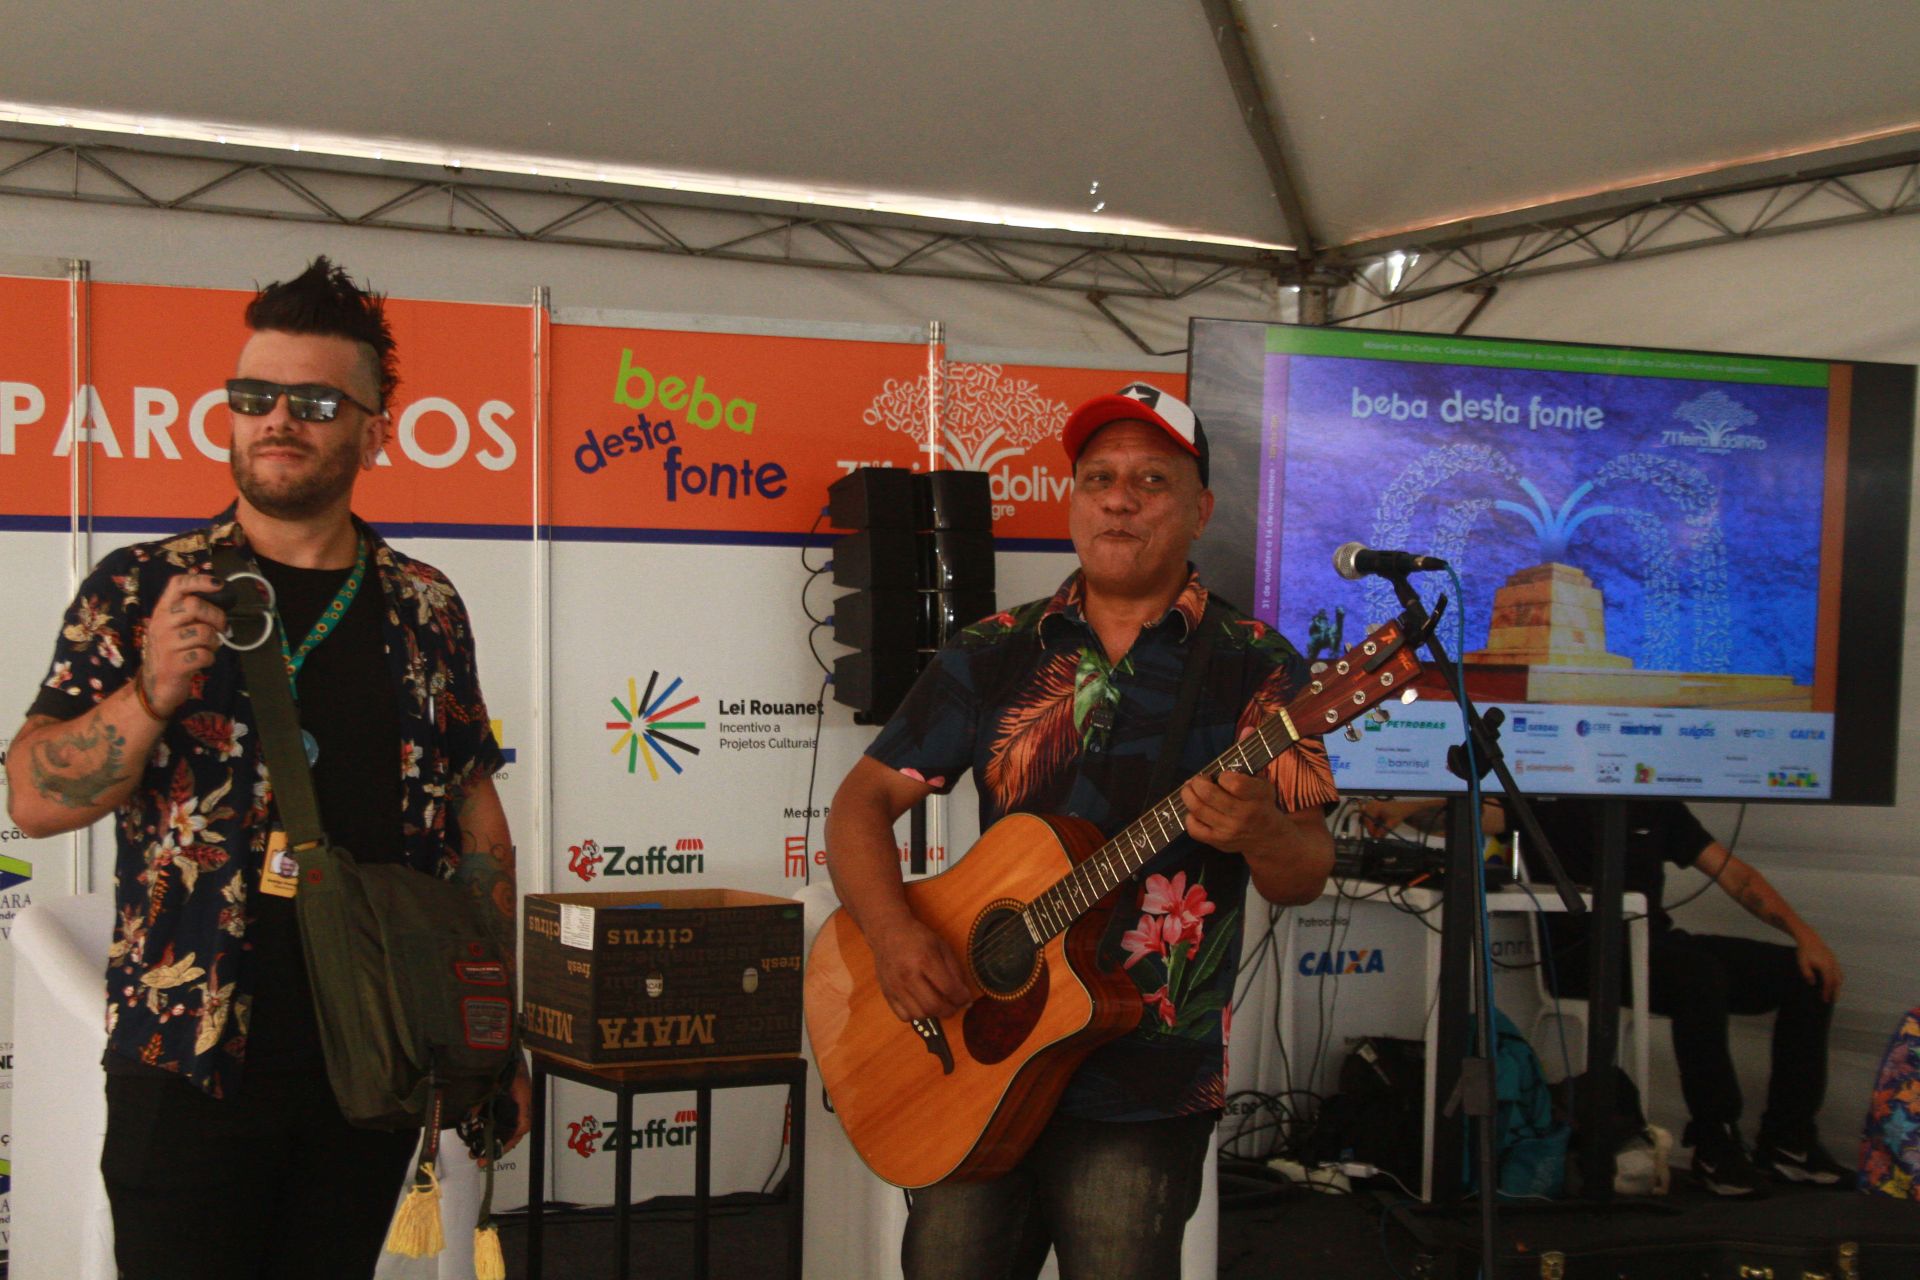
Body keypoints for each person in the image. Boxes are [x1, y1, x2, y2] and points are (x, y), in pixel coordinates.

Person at [5, 257, 532, 1279]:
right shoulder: (143, 586)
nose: (276, 419)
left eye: (314, 399)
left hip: (371, 1057)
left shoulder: (426, 606)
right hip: (188, 1055)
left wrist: (490, 1031)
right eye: (252, 396)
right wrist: (149, 692)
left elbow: (481, 827)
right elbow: (31, 795)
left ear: (377, 427)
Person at [825, 383, 1339, 1280]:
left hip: (1144, 1081)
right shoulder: (994, 651)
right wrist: (894, 932)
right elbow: (859, 806)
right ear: (1072, 500)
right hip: (974, 1057)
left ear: (1199, 508)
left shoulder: (1259, 666)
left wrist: (1259, 831)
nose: (1120, 496)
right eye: (1098, 476)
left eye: (1152, 479)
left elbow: (1303, 872)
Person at [1361, 795, 1846, 1195]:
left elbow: (1737, 877)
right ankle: (1715, 1144)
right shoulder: (1552, 802)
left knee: (1804, 975)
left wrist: (1807, 936)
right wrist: (1403, 806)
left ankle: (1789, 1143)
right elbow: (1466, 812)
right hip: (1579, 959)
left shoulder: (1660, 807)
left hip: (1654, 945)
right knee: (1701, 976)